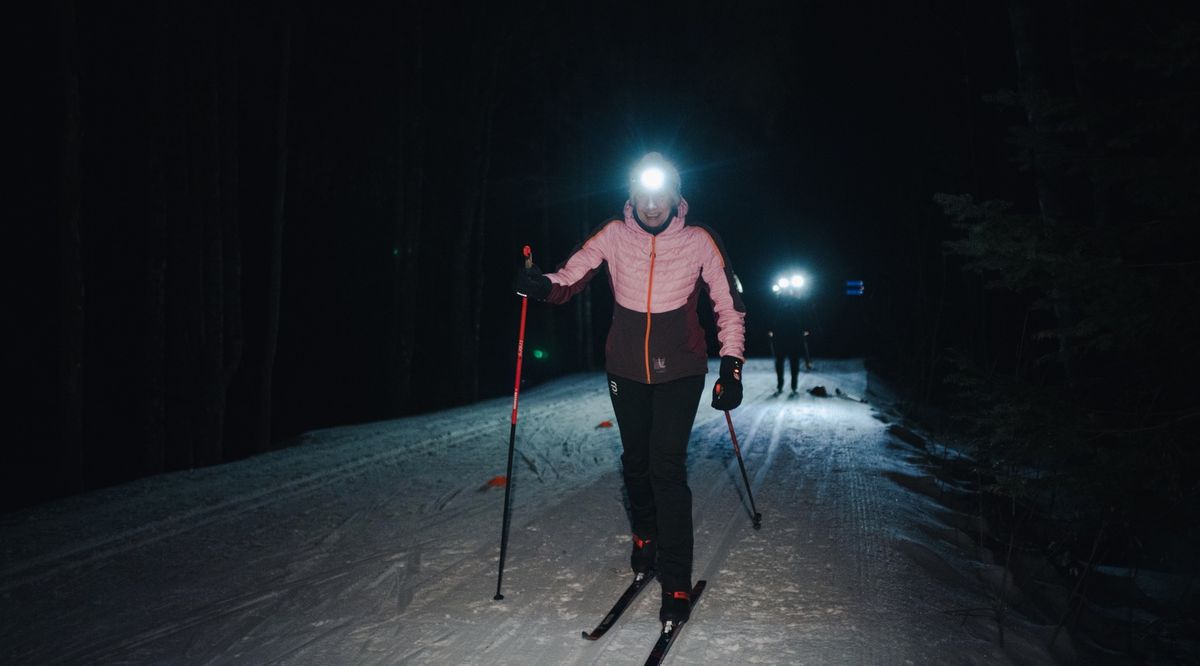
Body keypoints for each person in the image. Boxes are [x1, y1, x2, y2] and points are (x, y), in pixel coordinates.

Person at [513, 152, 746, 625]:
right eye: (644, 193)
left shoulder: (700, 241)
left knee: (666, 466)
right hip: (625, 371)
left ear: (676, 196)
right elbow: (571, 274)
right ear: (632, 196)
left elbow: (730, 304)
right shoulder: (614, 236)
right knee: (635, 462)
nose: (653, 203)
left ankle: (676, 582)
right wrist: (540, 285)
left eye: (662, 194)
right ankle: (645, 535)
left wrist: (731, 367)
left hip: (680, 371)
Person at [768, 286, 815, 393]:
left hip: (793, 337)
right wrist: (771, 329)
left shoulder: (797, 302)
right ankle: (781, 383)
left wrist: (805, 328)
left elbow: (805, 314)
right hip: (782, 337)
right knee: (781, 362)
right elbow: (772, 315)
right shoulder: (778, 302)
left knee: (793, 362)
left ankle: (793, 384)